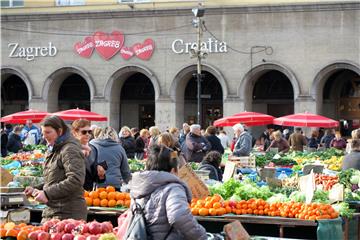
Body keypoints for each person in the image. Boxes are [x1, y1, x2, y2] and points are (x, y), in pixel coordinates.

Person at [128, 144, 207, 240]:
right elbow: (179, 217)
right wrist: (201, 236)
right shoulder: (173, 188)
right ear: (173, 170)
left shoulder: (138, 186)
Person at [24, 116, 87, 221]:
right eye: (43, 133)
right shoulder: (55, 148)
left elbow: (75, 180)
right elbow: (54, 180)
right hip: (54, 210)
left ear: (60, 131)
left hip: (68, 213)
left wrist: (47, 193)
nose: (45, 137)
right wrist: (36, 189)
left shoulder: (69, 149)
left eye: (48, 132)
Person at [71, 119, 106, 191]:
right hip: (72, 192)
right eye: (84, 132)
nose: (87, 134)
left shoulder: (93, 149)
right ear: (75, 133)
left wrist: (101, 175)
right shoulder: (69, 148)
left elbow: (94, 176)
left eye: (89, 132)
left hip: (89, 193)